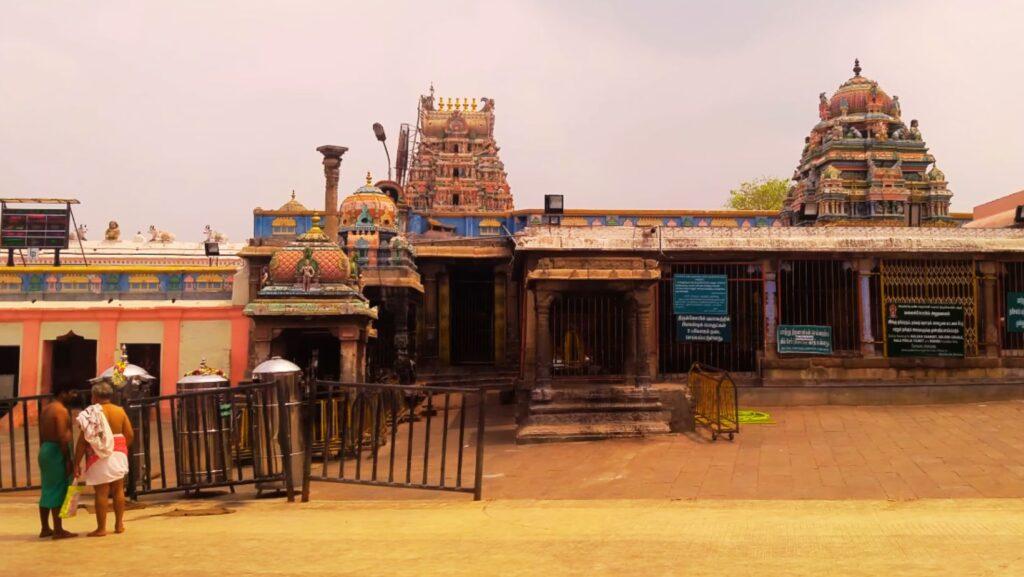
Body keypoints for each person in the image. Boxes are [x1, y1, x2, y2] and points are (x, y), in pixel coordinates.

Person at [73, 382, 133, 537]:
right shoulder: (119, 411)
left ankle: (101, 528)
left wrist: (76, 462)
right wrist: (120, 448)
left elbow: (82, 441)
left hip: (98, 454)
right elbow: (130, 435)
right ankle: (119, 524)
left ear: (94, 396)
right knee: (119, 489)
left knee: (101, 492)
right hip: (118, 452)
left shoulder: (91, 413)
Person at [37, 388, 78, 539]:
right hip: (56, 451)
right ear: (63, 393)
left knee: (47, 489)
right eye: (71, 392)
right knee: (57, 489)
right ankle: (58, 530)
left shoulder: (47, 409)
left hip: (46, 449)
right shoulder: (61, 410)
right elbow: (62, 435)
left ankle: (45, 528)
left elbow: (42, 433)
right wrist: (67, 459)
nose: (74, 395)